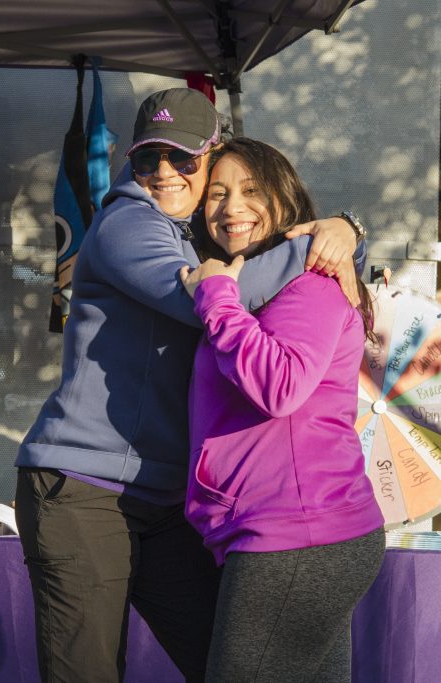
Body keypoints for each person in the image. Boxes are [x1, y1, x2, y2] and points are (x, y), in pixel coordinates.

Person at [14, 87, 367, 683]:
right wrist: (324, 241)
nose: (164, 173)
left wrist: (343, 232)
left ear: (212, 154)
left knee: (236, 663)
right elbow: (202, 300)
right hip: (83, 485)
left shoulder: (203, 237)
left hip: (166, 498)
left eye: (183, 158)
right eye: (148, 157)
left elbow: (254, 279)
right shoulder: (129, 221)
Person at [179, 138, 384, 682]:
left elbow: (281, 387)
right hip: (292, 533)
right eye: (216, 194)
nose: (230, 208)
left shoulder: (310, 283)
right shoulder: (258, 282)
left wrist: (218, 297)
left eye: (251, 191)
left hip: (298, 532)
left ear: (283, 197)